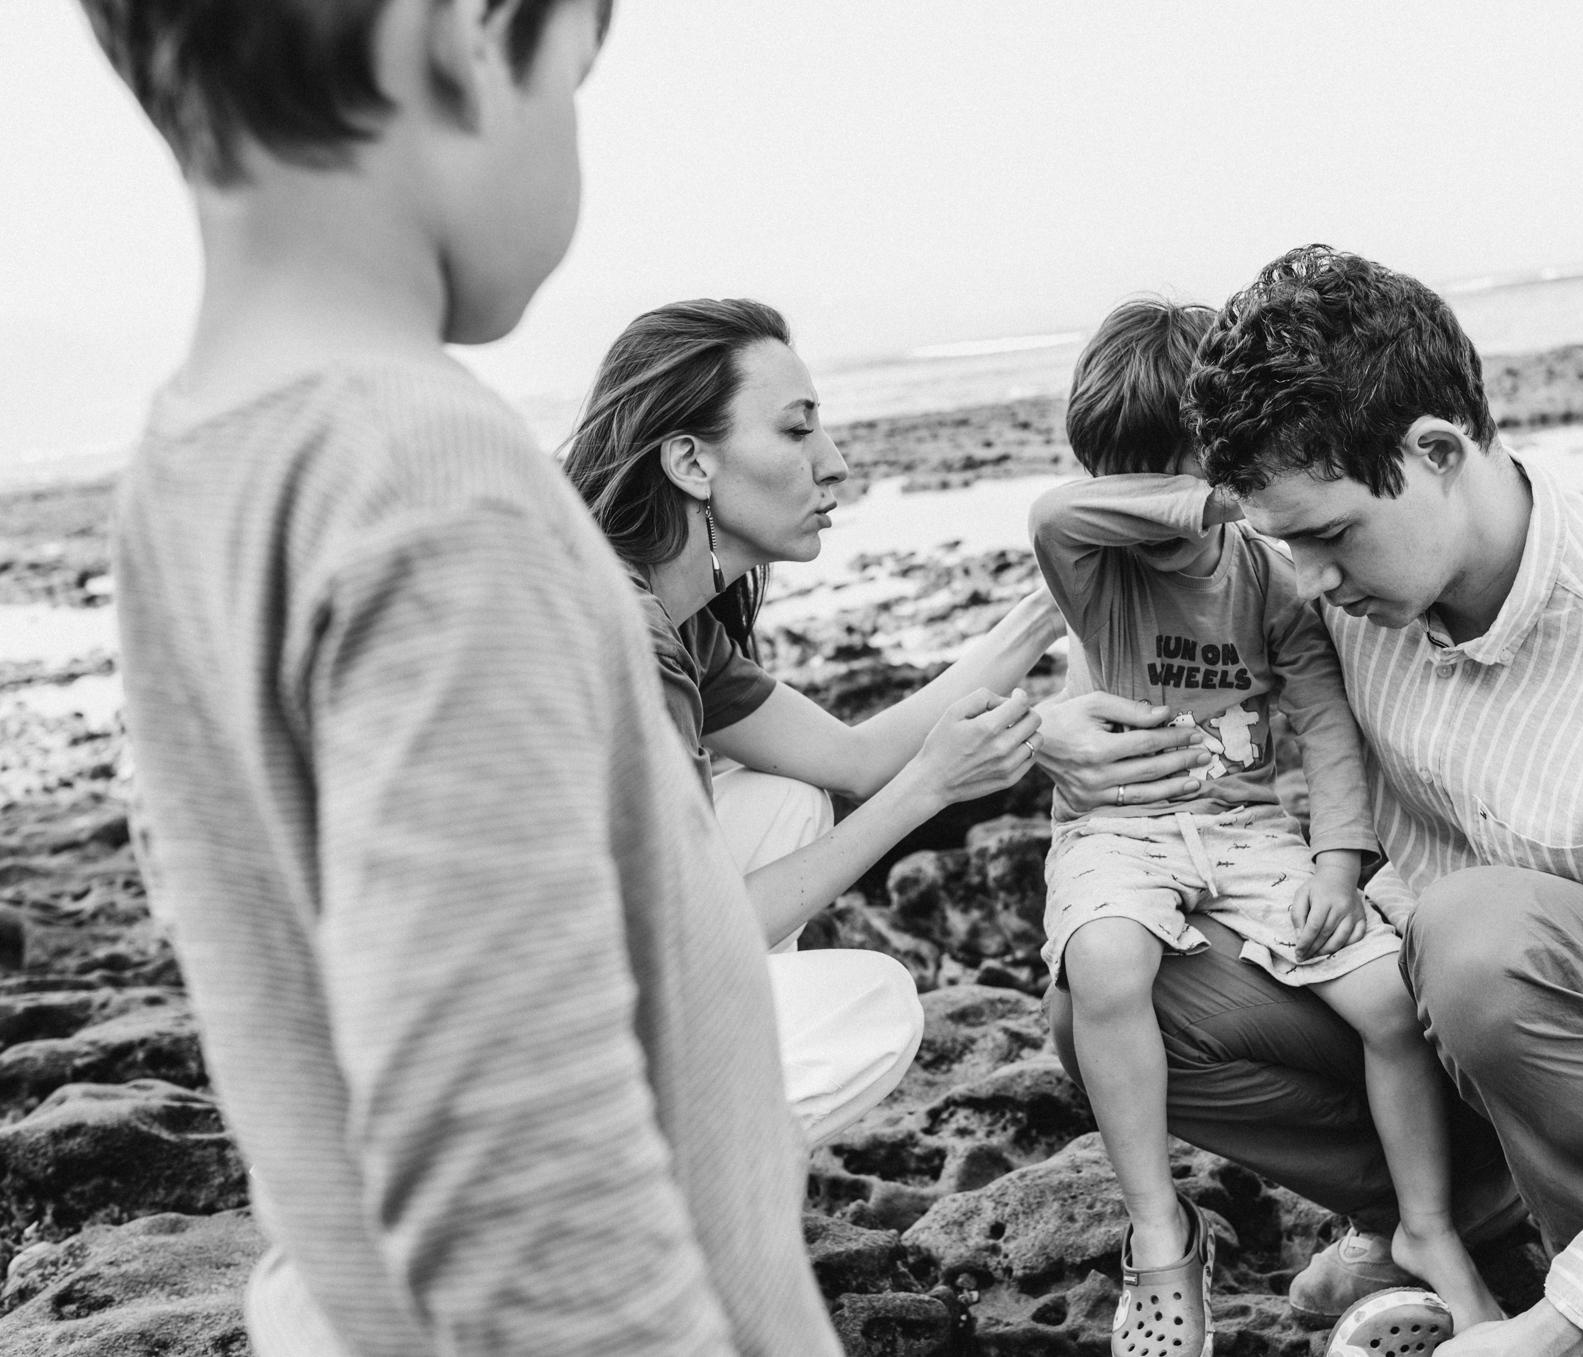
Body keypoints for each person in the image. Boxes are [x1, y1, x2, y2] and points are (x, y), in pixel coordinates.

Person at [89, 2, 842, 1353]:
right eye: (574, 78)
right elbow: (524, 1200)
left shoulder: (190, 461)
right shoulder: (433, 491)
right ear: (471, 36)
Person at [1044, 246, 1583, 1357]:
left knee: (1480, 941)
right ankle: (1453, 1216)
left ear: (1436, 451)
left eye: (1324, 537)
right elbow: (1164, 630)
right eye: (1280, 543)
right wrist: (1065, 719)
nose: (1305, 582)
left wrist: (1556, 1326)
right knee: (1101, 999)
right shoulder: (1355, 581)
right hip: (1427, 1013)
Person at [1029, 299, 1505, 1354]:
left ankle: (1424, 1229)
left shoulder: (1277, 576)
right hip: (1126, 832)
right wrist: (1201, 502)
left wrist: (1339, 863)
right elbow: (1062, 515)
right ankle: (1160, 1234)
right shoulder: (1098, 568)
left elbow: (1327, 725)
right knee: (1103, 966)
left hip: (1248, 834)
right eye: (1130, 480)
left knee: (1386, 1000)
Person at [561, 298, 1059, 1144]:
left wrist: (1051, 607)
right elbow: (695, 935)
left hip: (567, 969)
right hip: (511, 1036)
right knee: (867, 1005)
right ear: (689, 461)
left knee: (784, 804)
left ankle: (713, 1156)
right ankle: (645, 1207)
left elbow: (854, 757)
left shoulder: (672, 619)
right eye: (797, 432)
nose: (833, 463)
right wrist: (932, 787)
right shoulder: (624, 635)